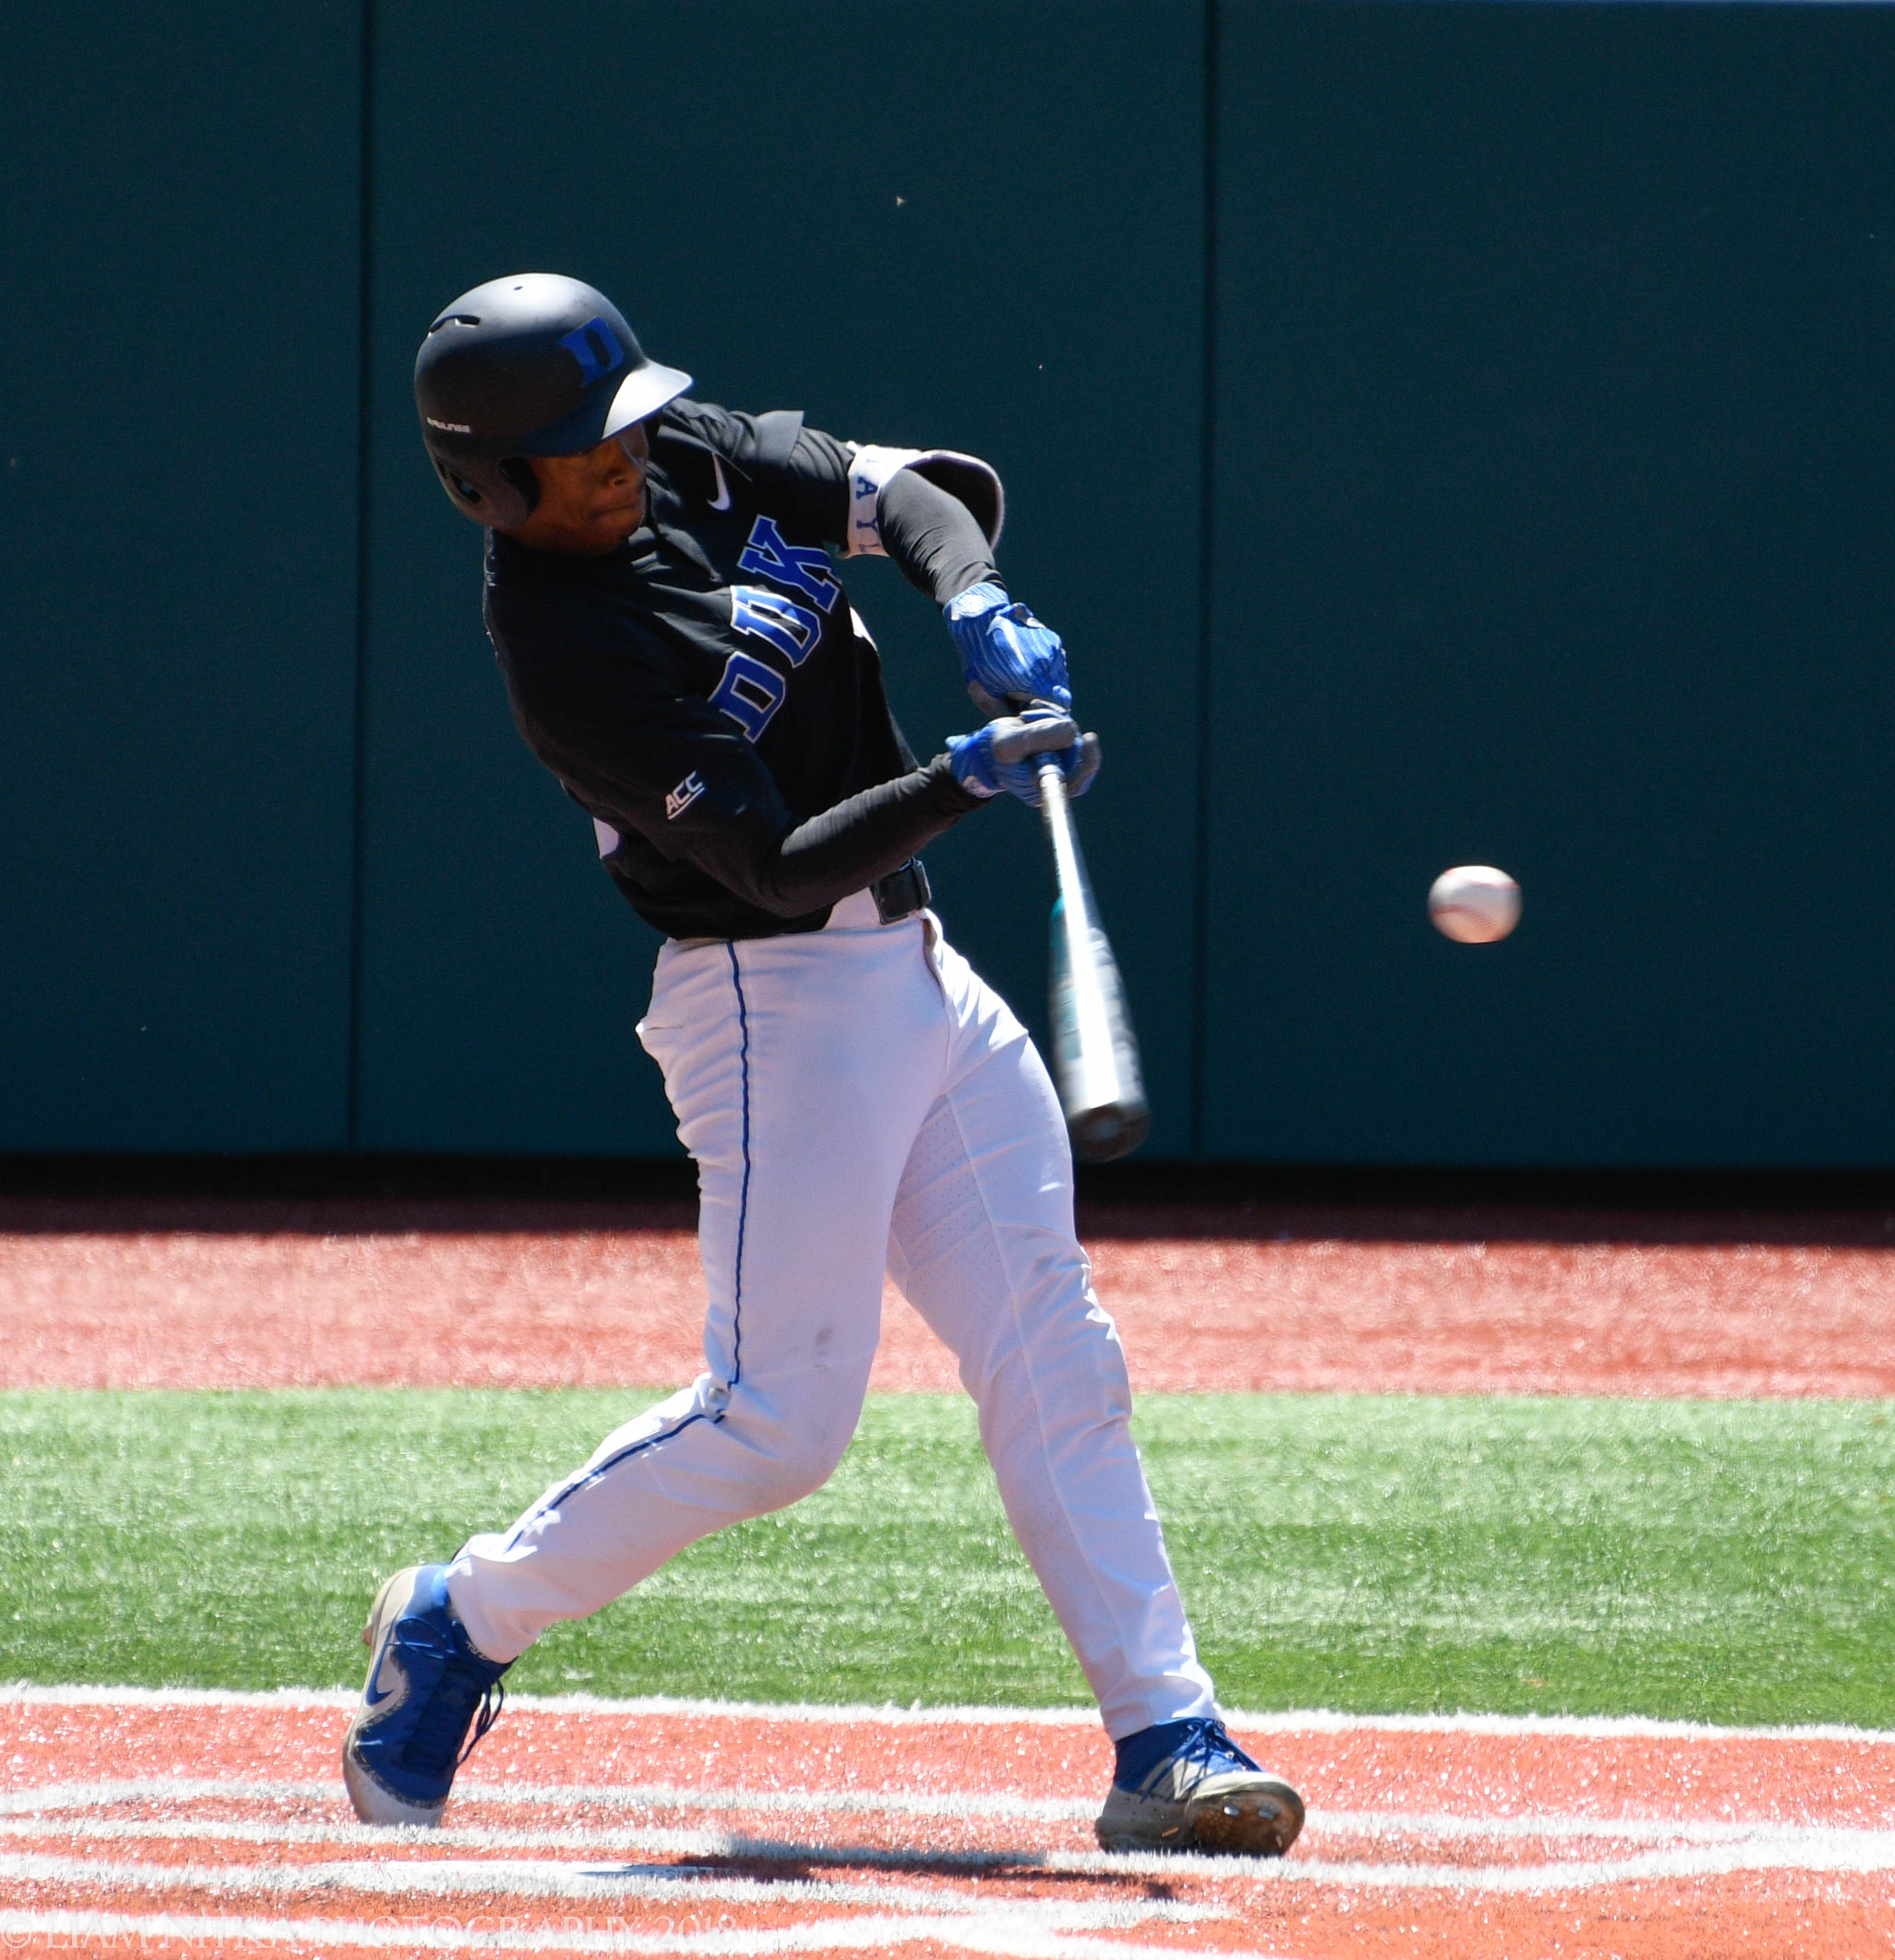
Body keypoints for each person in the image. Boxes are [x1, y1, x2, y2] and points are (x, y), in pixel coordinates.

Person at [341, 273, 1304, 1859]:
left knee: (1056, 1351)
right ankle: (461, 1616)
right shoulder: (564, 648)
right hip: (768, 997)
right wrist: (962, 776)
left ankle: (1166, 1734)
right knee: (779, 1419)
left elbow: (909, 491)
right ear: (491, 485)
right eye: (584, 451)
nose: (627, 460)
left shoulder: (683, 448)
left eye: (626, 428)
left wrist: (974, 596)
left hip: (917, 975)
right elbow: (778, 869)